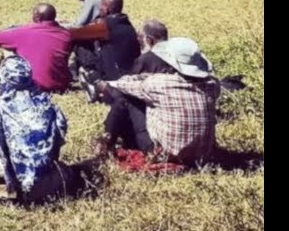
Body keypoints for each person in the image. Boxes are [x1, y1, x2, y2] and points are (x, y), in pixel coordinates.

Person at [0, 52, 84, 204]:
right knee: (66, 172)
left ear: (1, 79)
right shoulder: (49, 107)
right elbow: (56, 147)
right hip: (42, 185)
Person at [92, 36, 221, 166]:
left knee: (124, 99)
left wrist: (104, 85)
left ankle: (106, 142)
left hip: (162, 155)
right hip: (203, 155)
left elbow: (122, 84)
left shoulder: (159, 83)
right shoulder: (213, 85)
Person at [0, 3, 72, 93]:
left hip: (31, 84)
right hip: (60, 85)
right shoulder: (66, 34)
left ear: (37, 18)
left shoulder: (23, 31)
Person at [69, 0, 141, 101]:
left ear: (107, 9)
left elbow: (74, 34)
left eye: (101, 6)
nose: (99, 9)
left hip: (114, 76)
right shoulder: (125, 22)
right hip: (129, 72)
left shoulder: (106, 27)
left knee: (80, 44)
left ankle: (94, 81)